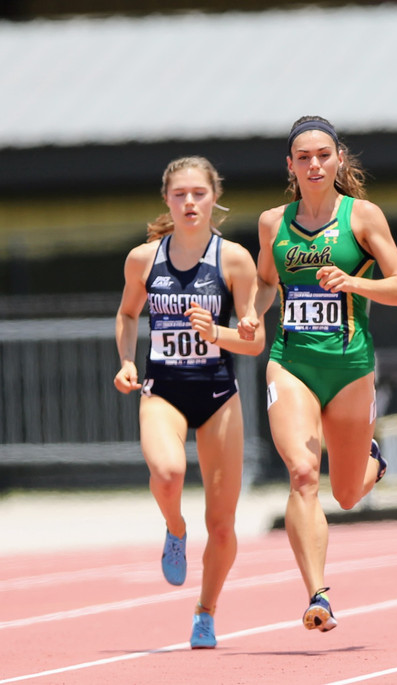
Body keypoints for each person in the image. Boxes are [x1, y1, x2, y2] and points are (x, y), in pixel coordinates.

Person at [239, 115, 397, 633]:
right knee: (303, 474)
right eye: (303, 157)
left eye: (323, 155)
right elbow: (267, 283)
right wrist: (252, 309)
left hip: (352, 365)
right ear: (290, 166)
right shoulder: (274, 223)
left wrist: (353, 285)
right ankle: (318, 595)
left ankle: (371, 462)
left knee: (348, 494)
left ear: (338, 160)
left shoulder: (362, 217)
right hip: (292, 362)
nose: (314, 164)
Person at [113, 156, 265, 648]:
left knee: (222, 527)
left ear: (213, 197)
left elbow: (253, 341)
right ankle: (174, 528)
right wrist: (126, 361)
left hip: (219, 393)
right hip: (164, 390)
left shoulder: (235, 259)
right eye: (180, 194)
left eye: (199, 193)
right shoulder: (143, 259)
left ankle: (206, 611)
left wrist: (220, 331)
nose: (190, 202)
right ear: (167, 200)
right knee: (168, 473)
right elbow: (127, 314)